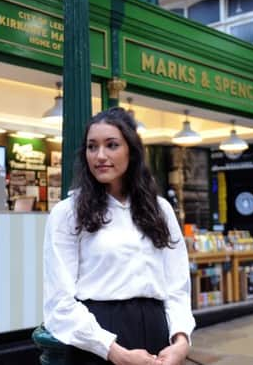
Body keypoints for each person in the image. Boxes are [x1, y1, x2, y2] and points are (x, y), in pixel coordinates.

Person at [43, 107, 195, 365]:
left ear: (131, 151)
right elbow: (59, 301)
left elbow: (177, 287)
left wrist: (181, 341)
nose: (100, 156)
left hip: (157, 335)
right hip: (97, 342)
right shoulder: (68, 213)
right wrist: (114, 352)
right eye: (92, 147)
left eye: (111, 145)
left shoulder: (160, 209)